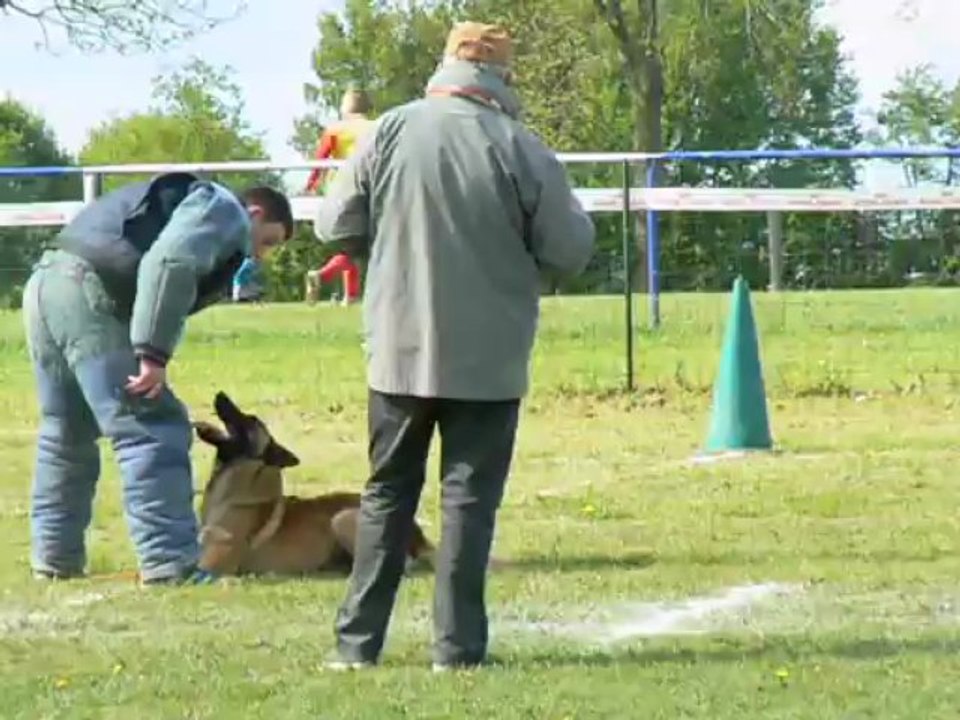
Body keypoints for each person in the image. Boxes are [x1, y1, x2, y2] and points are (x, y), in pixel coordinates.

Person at [313, 21, 596, 670]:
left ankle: (356, 646)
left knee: (386, 494)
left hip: (398, 349)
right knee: (468, 502)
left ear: (443, 67)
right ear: (502, 76)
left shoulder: (388, 130)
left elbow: (333, 224)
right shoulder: (520, 145)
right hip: (489, 358)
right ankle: (458, 650)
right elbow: (568, 249)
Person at [21, 173, 294, 585]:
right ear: (254, 213)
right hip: (90, 292)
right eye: (269, 241)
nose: (261, 255)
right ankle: (171, 565)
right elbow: (171, 263)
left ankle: (54, 560)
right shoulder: (223, 208)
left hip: (45, 284)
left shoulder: (184, 202)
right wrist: (152, 352)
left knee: (66, 432)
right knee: (152, 426)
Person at [304, 88, 377, 306]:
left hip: (338, 189)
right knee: (359, 246)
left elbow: (320, 161)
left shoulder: (334, 130)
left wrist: (310, 186)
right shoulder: (375, 127)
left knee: (349, 242)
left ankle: (350, 295)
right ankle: (322, 276)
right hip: (369, 187)